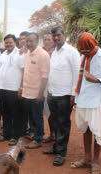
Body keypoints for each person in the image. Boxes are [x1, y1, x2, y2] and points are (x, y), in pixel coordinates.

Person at [71, 32, 101, 174]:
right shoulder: (83, 57)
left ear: (89, 46)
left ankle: (96, 162)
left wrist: (96, 80)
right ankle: (87, 158)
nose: (80, 50)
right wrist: (75, 95)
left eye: (83, 48)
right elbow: (78, 77)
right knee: (85, 130)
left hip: (97, 101)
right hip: (83, 99)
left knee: (97, 131)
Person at [43, 26, 80, 166]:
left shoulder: (72, 52)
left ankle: (61, 153)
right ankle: (56, 147)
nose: (56, 38)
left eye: (58, 35)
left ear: (64, 35)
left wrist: (73, 94)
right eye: (54, 36)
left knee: (63, 123)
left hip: (65, 95)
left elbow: (77, 74)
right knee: (56, 122)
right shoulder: (55, 52)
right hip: (53, 93)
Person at [0, 34, 25, 146]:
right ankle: (5, 134)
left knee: (16, 114)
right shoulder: (2, 55)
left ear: (15, 42)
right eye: (6, 42)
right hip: (3, 88)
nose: (8, 44)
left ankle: (15, 136)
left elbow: (24, 71)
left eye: (10, 42)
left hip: (14, 89)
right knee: (5, 112)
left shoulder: (20, 54)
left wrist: (21, 87)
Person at [22, 32, 50, 149]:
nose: (29, 43)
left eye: (31, 41)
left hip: (37, 93)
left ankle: (38, 139)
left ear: (37, 41)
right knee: (31, 116)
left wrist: (40, 93)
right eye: (27, 41)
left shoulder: (43, 55)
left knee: (37, 116)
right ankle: (34, 134)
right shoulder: (28, 53)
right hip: (27, 92)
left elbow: (45, 76)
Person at [42, 31, 55, 143]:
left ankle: (57, 135)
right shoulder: (41, 51)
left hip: (55, 87)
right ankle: (52, 134)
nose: (46, 41)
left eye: (49, 39)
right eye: (45, 39)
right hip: (44, 86)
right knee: (48, 111)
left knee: (55, 112)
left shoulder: (56, 51)